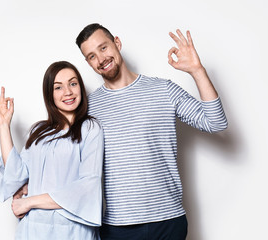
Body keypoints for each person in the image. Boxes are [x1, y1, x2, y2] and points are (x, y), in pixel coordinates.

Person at [75, 23, 228, 240]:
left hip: (168, 221)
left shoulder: (163, 90)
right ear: (88, 62)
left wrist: (197, 71)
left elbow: (216, 123)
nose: (101, 59)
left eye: (103, 48)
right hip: (118, 227)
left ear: (117, 43)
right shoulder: (89, 108)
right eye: (91, 56)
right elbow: (69, 158)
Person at [0, 61, 104, 240]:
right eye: (58, 87)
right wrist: (3, 126)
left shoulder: (90, 128)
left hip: (72, 231)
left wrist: (29, 202)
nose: (68, 92)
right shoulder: (39, 132)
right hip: (33, 230)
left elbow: (88, 186)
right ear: (49, 94)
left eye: (73, 84)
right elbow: (16, 177)